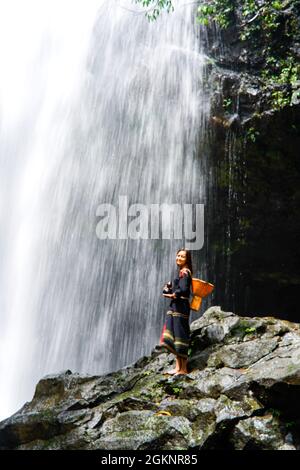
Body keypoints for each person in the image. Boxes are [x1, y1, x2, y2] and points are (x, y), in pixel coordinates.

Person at [160, 248, 193, 376]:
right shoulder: (181, 273)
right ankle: (178, 367)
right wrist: (168, 288)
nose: (179, 258)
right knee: (175, 334)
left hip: (181, 306)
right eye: (178, 255)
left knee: (180, 334)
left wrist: (175, 293)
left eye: (182, 256)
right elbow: (177, 287)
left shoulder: (185, 272)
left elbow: (184, 289)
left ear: (187, 260)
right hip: (176, 306)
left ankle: (183, 369)